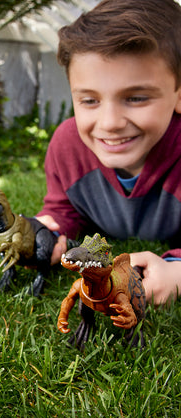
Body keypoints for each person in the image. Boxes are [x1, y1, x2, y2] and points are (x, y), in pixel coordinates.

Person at [36, 0, 181, 305]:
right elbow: (64, 209)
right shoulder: (67, 146)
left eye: (137, 98)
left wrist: (176, 269)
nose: (110, 123)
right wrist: (50, 229)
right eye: (89, 101)